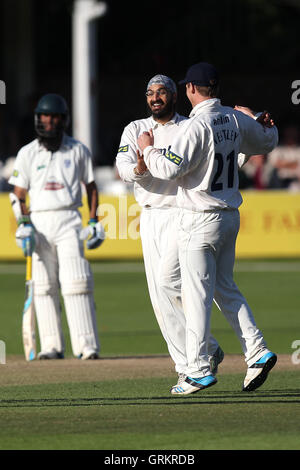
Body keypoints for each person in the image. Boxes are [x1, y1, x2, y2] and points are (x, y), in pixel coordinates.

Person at [138, 62, 278, 395]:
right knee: (222, 287)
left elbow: (170, 169)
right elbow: (267, 142)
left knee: (197, 294)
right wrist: (257, 117)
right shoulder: (234, 117)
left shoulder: (195, 126)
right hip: (229, 216)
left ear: (190, 89)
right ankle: (257, 352)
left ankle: (198, 369)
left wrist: (147, 147)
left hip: (199, 218)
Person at [116, 75, 224, 388]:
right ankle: (204, 352)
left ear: (174, 96)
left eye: (161, 92)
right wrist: (137, 169)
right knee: (162, 298)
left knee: (176, 286)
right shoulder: (136, 129)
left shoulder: (188, 127)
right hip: (150, 217)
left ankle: (192, 364)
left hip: (183, 212)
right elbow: (122, 166)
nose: (155, 98)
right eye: (150, 93)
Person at [9, 93, 105, 360]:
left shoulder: (77, 150)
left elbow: (91, 188)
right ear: (38, 119)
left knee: (76, 282)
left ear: (63, 120)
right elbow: (18, 194)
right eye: (44, 116)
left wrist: (94, 220)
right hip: (39, 222)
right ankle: (51, 346)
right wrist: (24, 223)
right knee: (42, 286)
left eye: (54, 117)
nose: (48, 121)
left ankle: (87, 346)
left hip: (69, 219)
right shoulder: (27, 153)